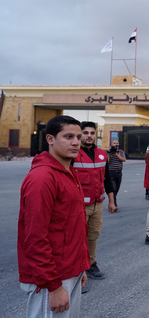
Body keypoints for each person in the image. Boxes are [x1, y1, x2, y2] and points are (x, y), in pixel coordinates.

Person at [18, 115, 89, 316]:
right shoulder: (42, 178)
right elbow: (34, 238)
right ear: (50, 139)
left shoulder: (68, 172)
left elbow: (71, 226)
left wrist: (80, 267)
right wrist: (53, 285)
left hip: (70, 271)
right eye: (68, 136)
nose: (76, 142)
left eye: (78, 136)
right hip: (52, 279)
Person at [74, 122, 116, 282]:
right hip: (78, 206)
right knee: (77, 237)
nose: (89, 136)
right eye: (85, 133)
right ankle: (77, 270)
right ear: (80, 135)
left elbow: (107, 179)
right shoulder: (73, 154)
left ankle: (91, 264)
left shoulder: (101, 154)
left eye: (92, 133)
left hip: (97, 203)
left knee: (93, 236)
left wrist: (111, 201)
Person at [107, 140, 126, 210]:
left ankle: (112, 200)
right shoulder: (109, 152)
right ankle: (114, 204)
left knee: (116, 189)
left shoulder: (121, 152)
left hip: (119, 173)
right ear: (112, 144)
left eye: (117, 143)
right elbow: (107, 162)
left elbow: (124, 159)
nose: (115, 144)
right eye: (114, 143)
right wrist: (109, 153)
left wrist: (116, 154)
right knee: (113, 189)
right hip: (111, 173)